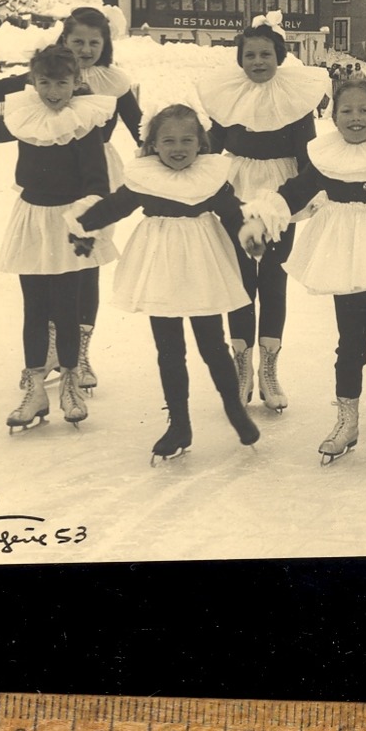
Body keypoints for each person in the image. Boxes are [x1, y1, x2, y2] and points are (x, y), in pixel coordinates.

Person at [239, 77, 366, 469]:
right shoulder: (326, 158)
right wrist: (263, 217)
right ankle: (347, 422)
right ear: (333, 117)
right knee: (349, 344)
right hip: (344, 256)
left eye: (365, 110)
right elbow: (294, 192)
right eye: (346, 110)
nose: (355, 118)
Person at [0, 9, 139, 395]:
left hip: (97, 177)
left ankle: (80, 354)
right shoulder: (53, 72)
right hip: (50, 176)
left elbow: (141, 127)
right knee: (47, 262)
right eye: (78, 41)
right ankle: (51, 350)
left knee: (84, 267)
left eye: (94, 43)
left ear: (106, 46)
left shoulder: (115, 82)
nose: (85, 49)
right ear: (64, 40)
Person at [0, 43, 115, 431]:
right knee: (34, 309)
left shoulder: (85, 123)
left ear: (76, 81)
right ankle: (34, 389)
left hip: (69, 224)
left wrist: (86, 224)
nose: (52, 91)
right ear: (33, 81)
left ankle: (69, 384)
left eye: (61, 82)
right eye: (44, 82)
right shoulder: (27, 114)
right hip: (31, 220)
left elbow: (98, 182)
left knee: (66, 308)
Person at [69, 104, 260, 463]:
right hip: (159, 267)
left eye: (187, 140)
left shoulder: (210, 175)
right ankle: (179, 423)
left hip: (202, 265)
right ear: (153, 144)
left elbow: (232, 212)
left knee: (212, 345)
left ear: (201, 143)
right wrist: (83, 224)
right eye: (168, 140)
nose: (178, 147)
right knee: (169, 349)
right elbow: (116, 206)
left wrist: (248, 233)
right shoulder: (145, 177)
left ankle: (235, 410)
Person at [196, 16, 331, 412]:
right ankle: (242, 368)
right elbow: (211, 144)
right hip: (236, 191)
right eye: (250, 54)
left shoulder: (294, 99)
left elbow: (310, 157)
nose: (258, 61)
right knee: (240, 281)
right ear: (240, 60)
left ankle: (269, 369)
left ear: (280, 57)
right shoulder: (228, 97)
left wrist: (310, 194)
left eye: (265, 54)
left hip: (280, 194)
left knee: (272, 279)